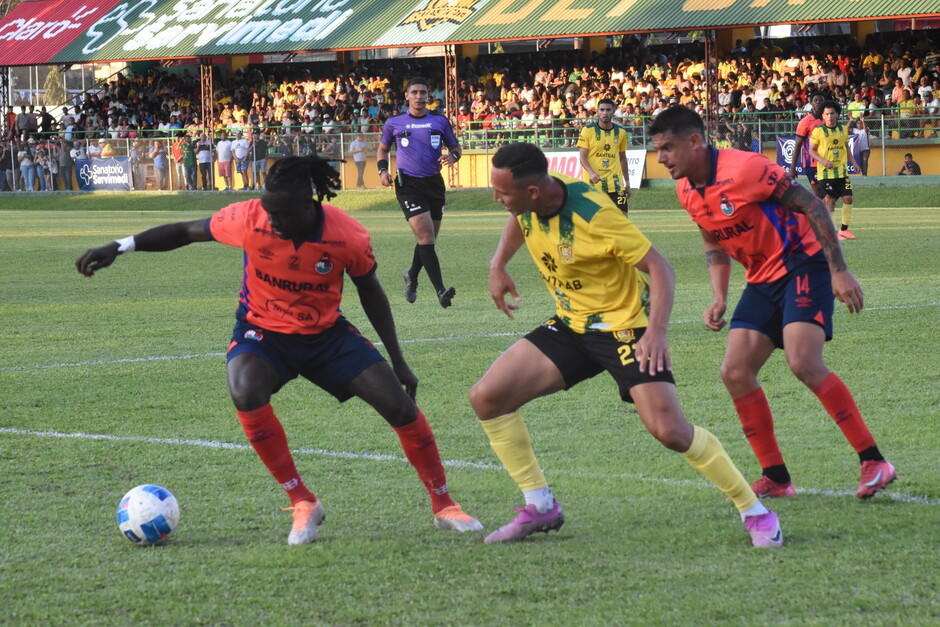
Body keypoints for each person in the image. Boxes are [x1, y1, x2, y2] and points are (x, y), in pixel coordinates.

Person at [75, 154, 482, 545]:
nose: (272, 220)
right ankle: (302, 501)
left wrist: (399, 361)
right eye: (268, 211)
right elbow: (185, 232)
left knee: (399, 406)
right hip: (262, 333)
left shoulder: (347, 234)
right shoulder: (249, 218)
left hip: (327, 336)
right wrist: (121, 245)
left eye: (281, 213)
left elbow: (371, 294)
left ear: (309, 204)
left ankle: (444, 505)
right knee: (245, 389)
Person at [471, 142, 783, 548]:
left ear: (532, 191)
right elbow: (519, 218)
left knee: (670, 430)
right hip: (572, 325)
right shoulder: (533, 198)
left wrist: (656, 332)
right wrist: (498, 265)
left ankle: (755, 512)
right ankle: (540, 505)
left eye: (502, 193)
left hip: (624, 329)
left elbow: (661, 267)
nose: (496, 199)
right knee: (488, 397)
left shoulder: (594, 214)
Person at [649, 105, 895, 501]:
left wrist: (838, 270)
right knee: (734, 371)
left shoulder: (745, 168)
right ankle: (777, 478)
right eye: (657, 149)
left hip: (804, 264)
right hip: (761, 280)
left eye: (667, 148)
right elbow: (712, 240)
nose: (660, 158)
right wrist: (718, 296)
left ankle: (874, 461)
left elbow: (811, 205)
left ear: (694, 142)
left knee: (803, 362)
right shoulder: (684, 190)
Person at [377, 77, 461, 308]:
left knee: (428, 240)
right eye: (414, 92)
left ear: (428, 95)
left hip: (434, 183)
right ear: (407, 96)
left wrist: (452, 157)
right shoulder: (395, 123)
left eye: (423, 92)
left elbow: (456, 148)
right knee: (425, 238)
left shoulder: (439, 121)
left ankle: (412, 274)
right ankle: (441, 290)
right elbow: (382, 149)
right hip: (408, 185)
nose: (419, 96)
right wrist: (383, 171)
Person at [808, 101, 860, 241]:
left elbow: (846, 148)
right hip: (825, 173)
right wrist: (823, 161)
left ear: (837, 114)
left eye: (832, 113)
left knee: (848, 199)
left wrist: (854, 162)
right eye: (826, 114)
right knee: (829, 200)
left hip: (842, 172)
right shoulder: (818, 131)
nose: (830, 117)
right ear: (823, 116)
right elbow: (811, 151)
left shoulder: (843, 130)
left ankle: (844, 230)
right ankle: (828, 232)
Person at [577, 98, 631, 215]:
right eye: (602, 110)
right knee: (595, 220)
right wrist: (591, 173)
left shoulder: (621, 132)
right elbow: (582, 157)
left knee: (623, 219)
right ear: (597, 111)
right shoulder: (588, 130)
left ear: (613, 111)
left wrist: (627, 182)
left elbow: (622, 158)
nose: (605, 113)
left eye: (608, 110)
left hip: (616, 184)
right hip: (593, 185)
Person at [788, 92, 825, 196]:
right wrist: (792, 168)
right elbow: (797, 145)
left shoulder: (829, 119)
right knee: (819, 194)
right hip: (811, 163)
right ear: (811, 103)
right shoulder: (805, 122)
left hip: (827, 161)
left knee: (829, 195)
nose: (818, 103)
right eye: (816, 100)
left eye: (821, 100)